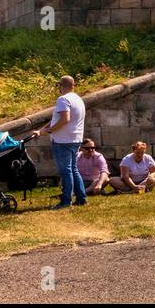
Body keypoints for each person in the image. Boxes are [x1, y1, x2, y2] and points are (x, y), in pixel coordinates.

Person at [29, 75, 87, 209]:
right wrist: (41, 130)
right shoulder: (78, 99)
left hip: (63, 140)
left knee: (66, 171)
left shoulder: (63, 99)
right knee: (73, 169)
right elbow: (57, 119)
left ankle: (66, 201)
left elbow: (64, 120)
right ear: (73, 85)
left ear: (61, 85)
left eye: (59, 86)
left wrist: (48, 131)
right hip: (75, 139)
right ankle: (81, 199)